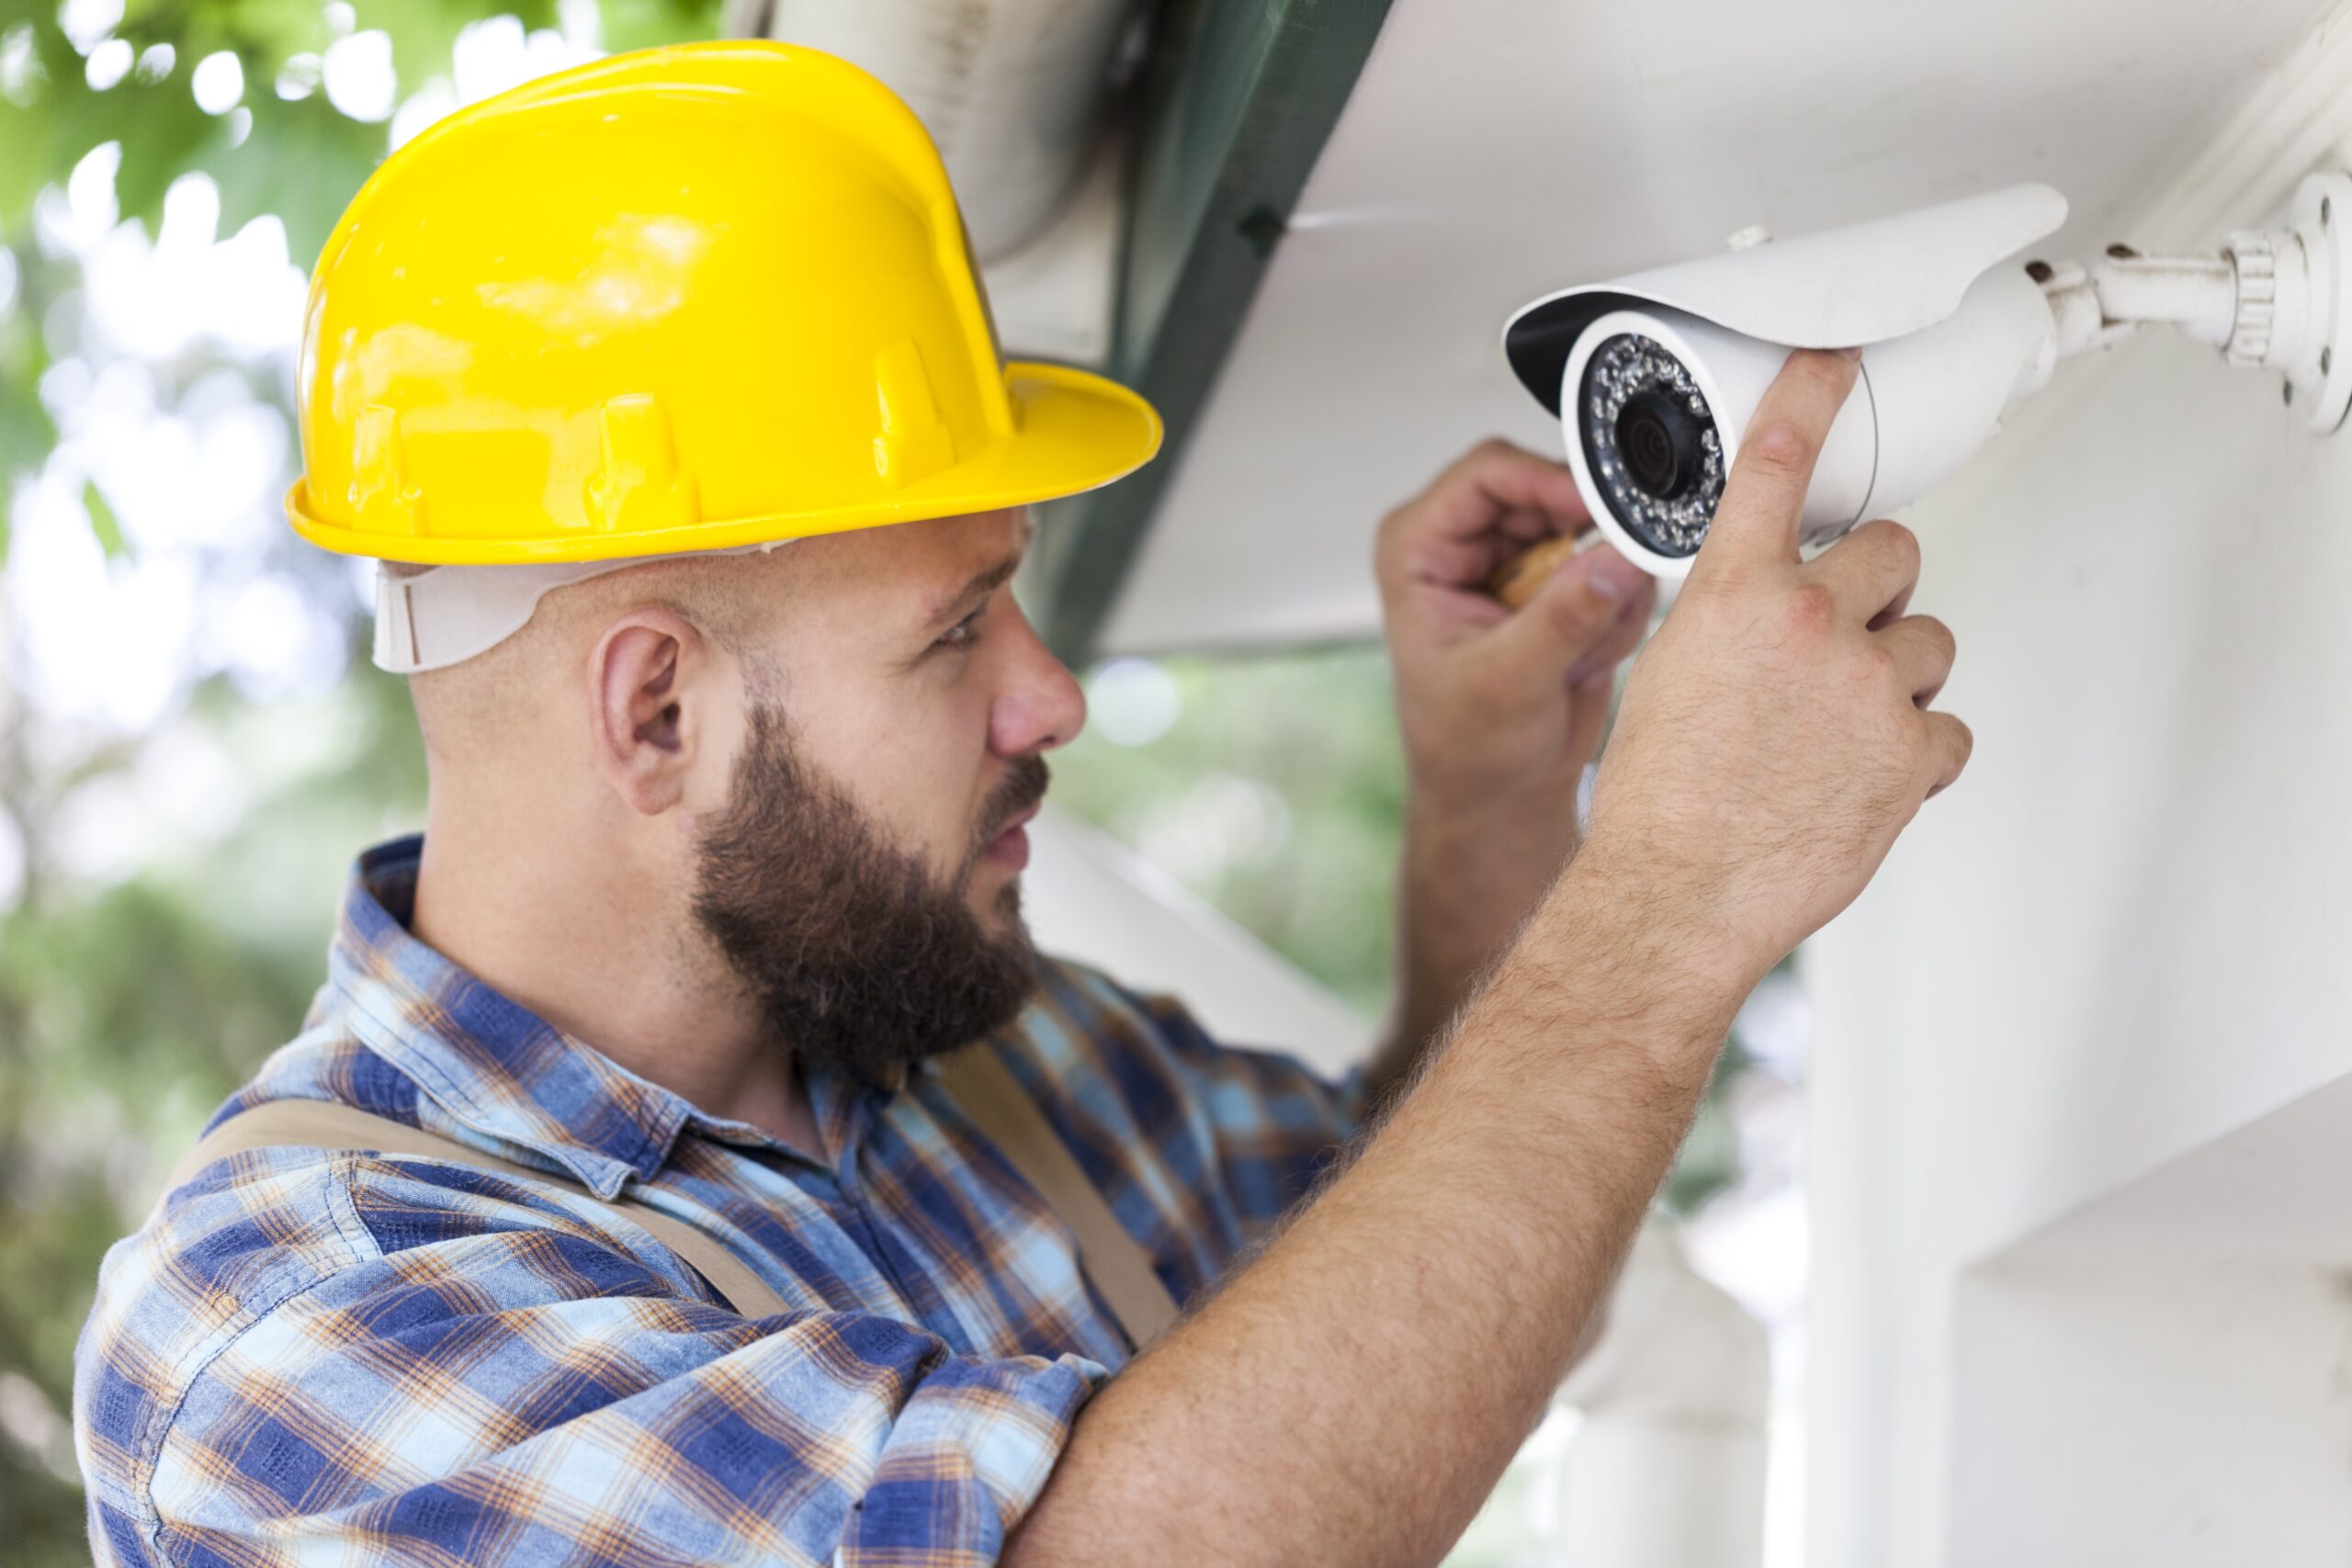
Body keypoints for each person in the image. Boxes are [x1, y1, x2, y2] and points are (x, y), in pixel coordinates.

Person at [72, 41, 1967, 1568]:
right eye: (954, 627)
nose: (1047, 691)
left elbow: (1419, 1285)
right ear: (654, 710)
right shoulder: (292, 1335)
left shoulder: (962, 1038)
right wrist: (1668, 902)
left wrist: (1493, 809)